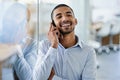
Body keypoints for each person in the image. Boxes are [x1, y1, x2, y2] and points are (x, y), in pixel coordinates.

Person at [33, 4, 97, 80]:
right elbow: (38, 78)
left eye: (69, 15)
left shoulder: (88, 51)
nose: (65, 19)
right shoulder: (45, 46)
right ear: (53, 24)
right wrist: (54, 46)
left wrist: (53, 78)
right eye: (59, 16)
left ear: (75, 21)